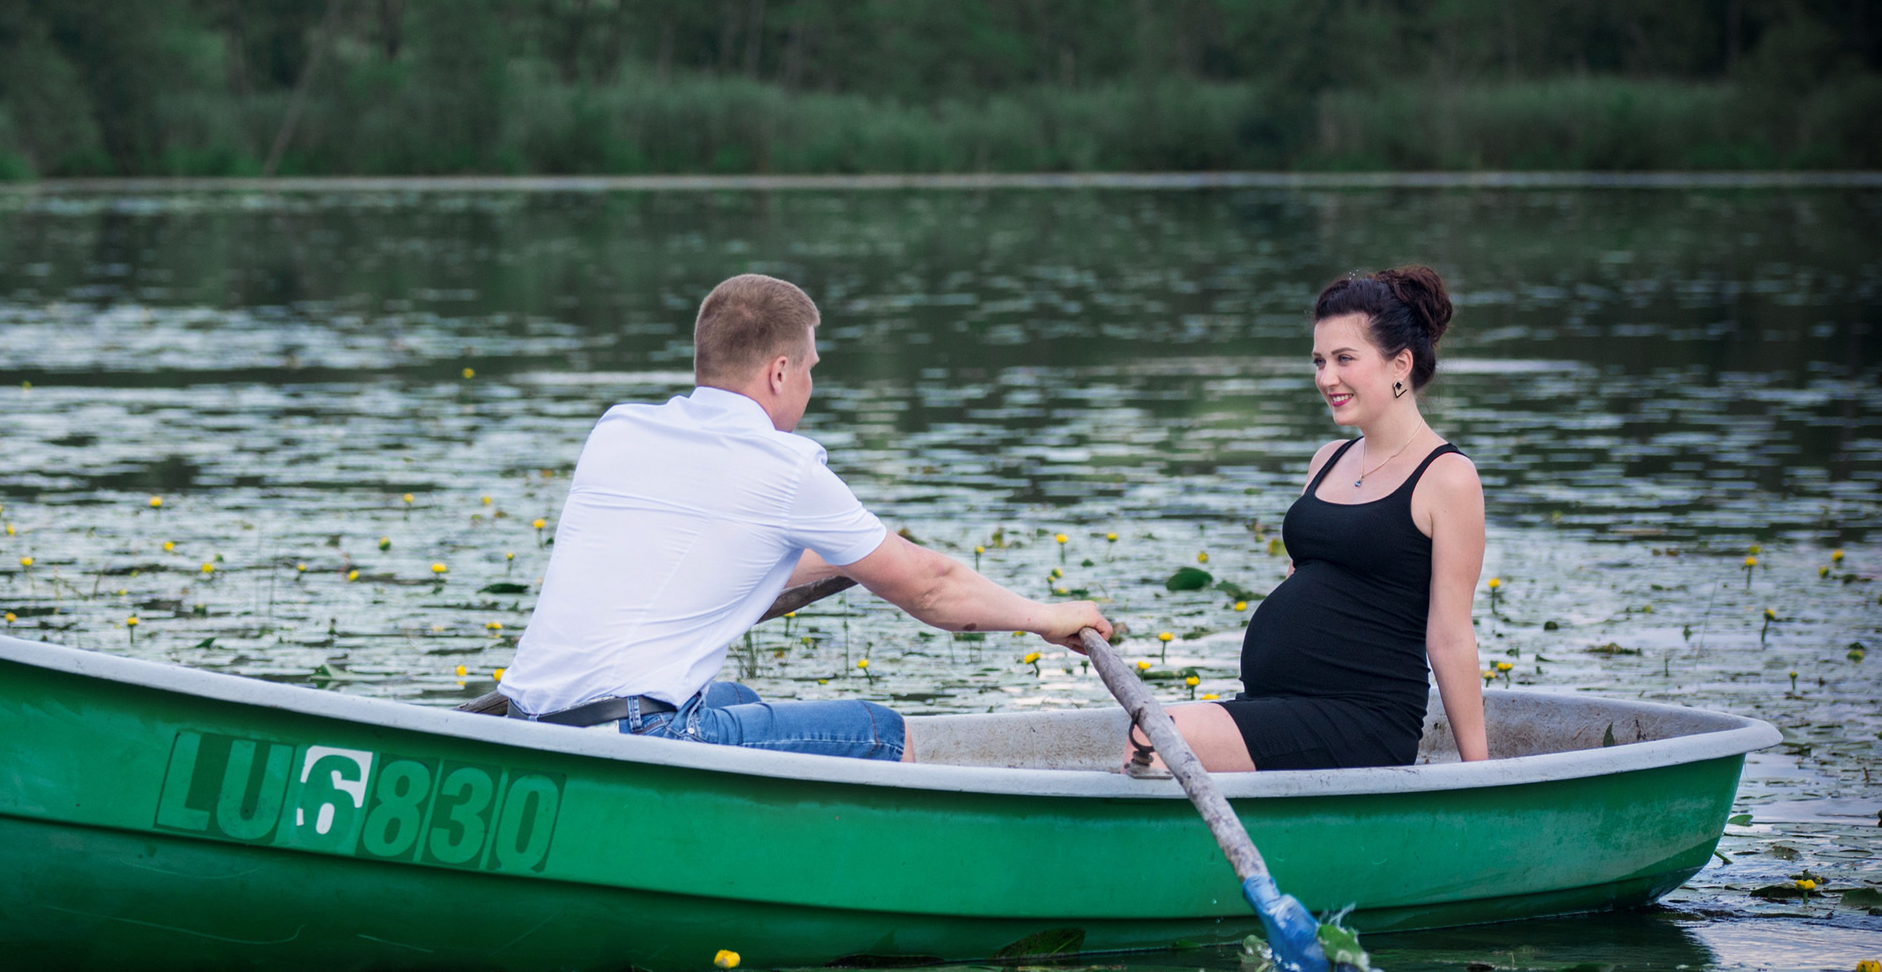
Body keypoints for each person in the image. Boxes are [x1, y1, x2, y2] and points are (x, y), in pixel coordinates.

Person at [500, 273, 1111, 761]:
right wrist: (1046, 618)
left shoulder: (619, 429)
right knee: (882, 732)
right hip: (636, 732)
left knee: (738, 699)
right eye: (811, 368)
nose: (810, 384)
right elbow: (931, 588)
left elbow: (707, 554)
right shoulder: (783, 466)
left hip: (528, 723)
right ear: (779, 372)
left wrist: (859, 559)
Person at [1131, 265, 1488, 773]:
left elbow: (1450, 637)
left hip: (1363, 720)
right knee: (1149, 732)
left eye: (1344, 359)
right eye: (1319, 361)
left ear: (1400, 364)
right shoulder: (1328, 460)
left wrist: (1481, 775)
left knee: (1152, 738)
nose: (1326, 378)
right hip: (1280, 706)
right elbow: (1305, 583)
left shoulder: (1447, 477)